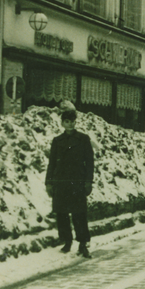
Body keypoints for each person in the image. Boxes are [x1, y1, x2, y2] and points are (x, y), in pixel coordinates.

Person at [46, 109, 94, 258]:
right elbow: (51, 163)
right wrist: (49, 183)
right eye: (67, 121)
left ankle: (82, 243)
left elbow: (90, 162)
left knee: (79, 214)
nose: (70, 124)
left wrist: (88, 182)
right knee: (62, 214)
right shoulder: (57, 141)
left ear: (75, 122)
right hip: (61, 182)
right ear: (62, 123)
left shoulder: (83, 139)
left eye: (72, 121)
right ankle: (67, 241)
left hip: (77, 182)